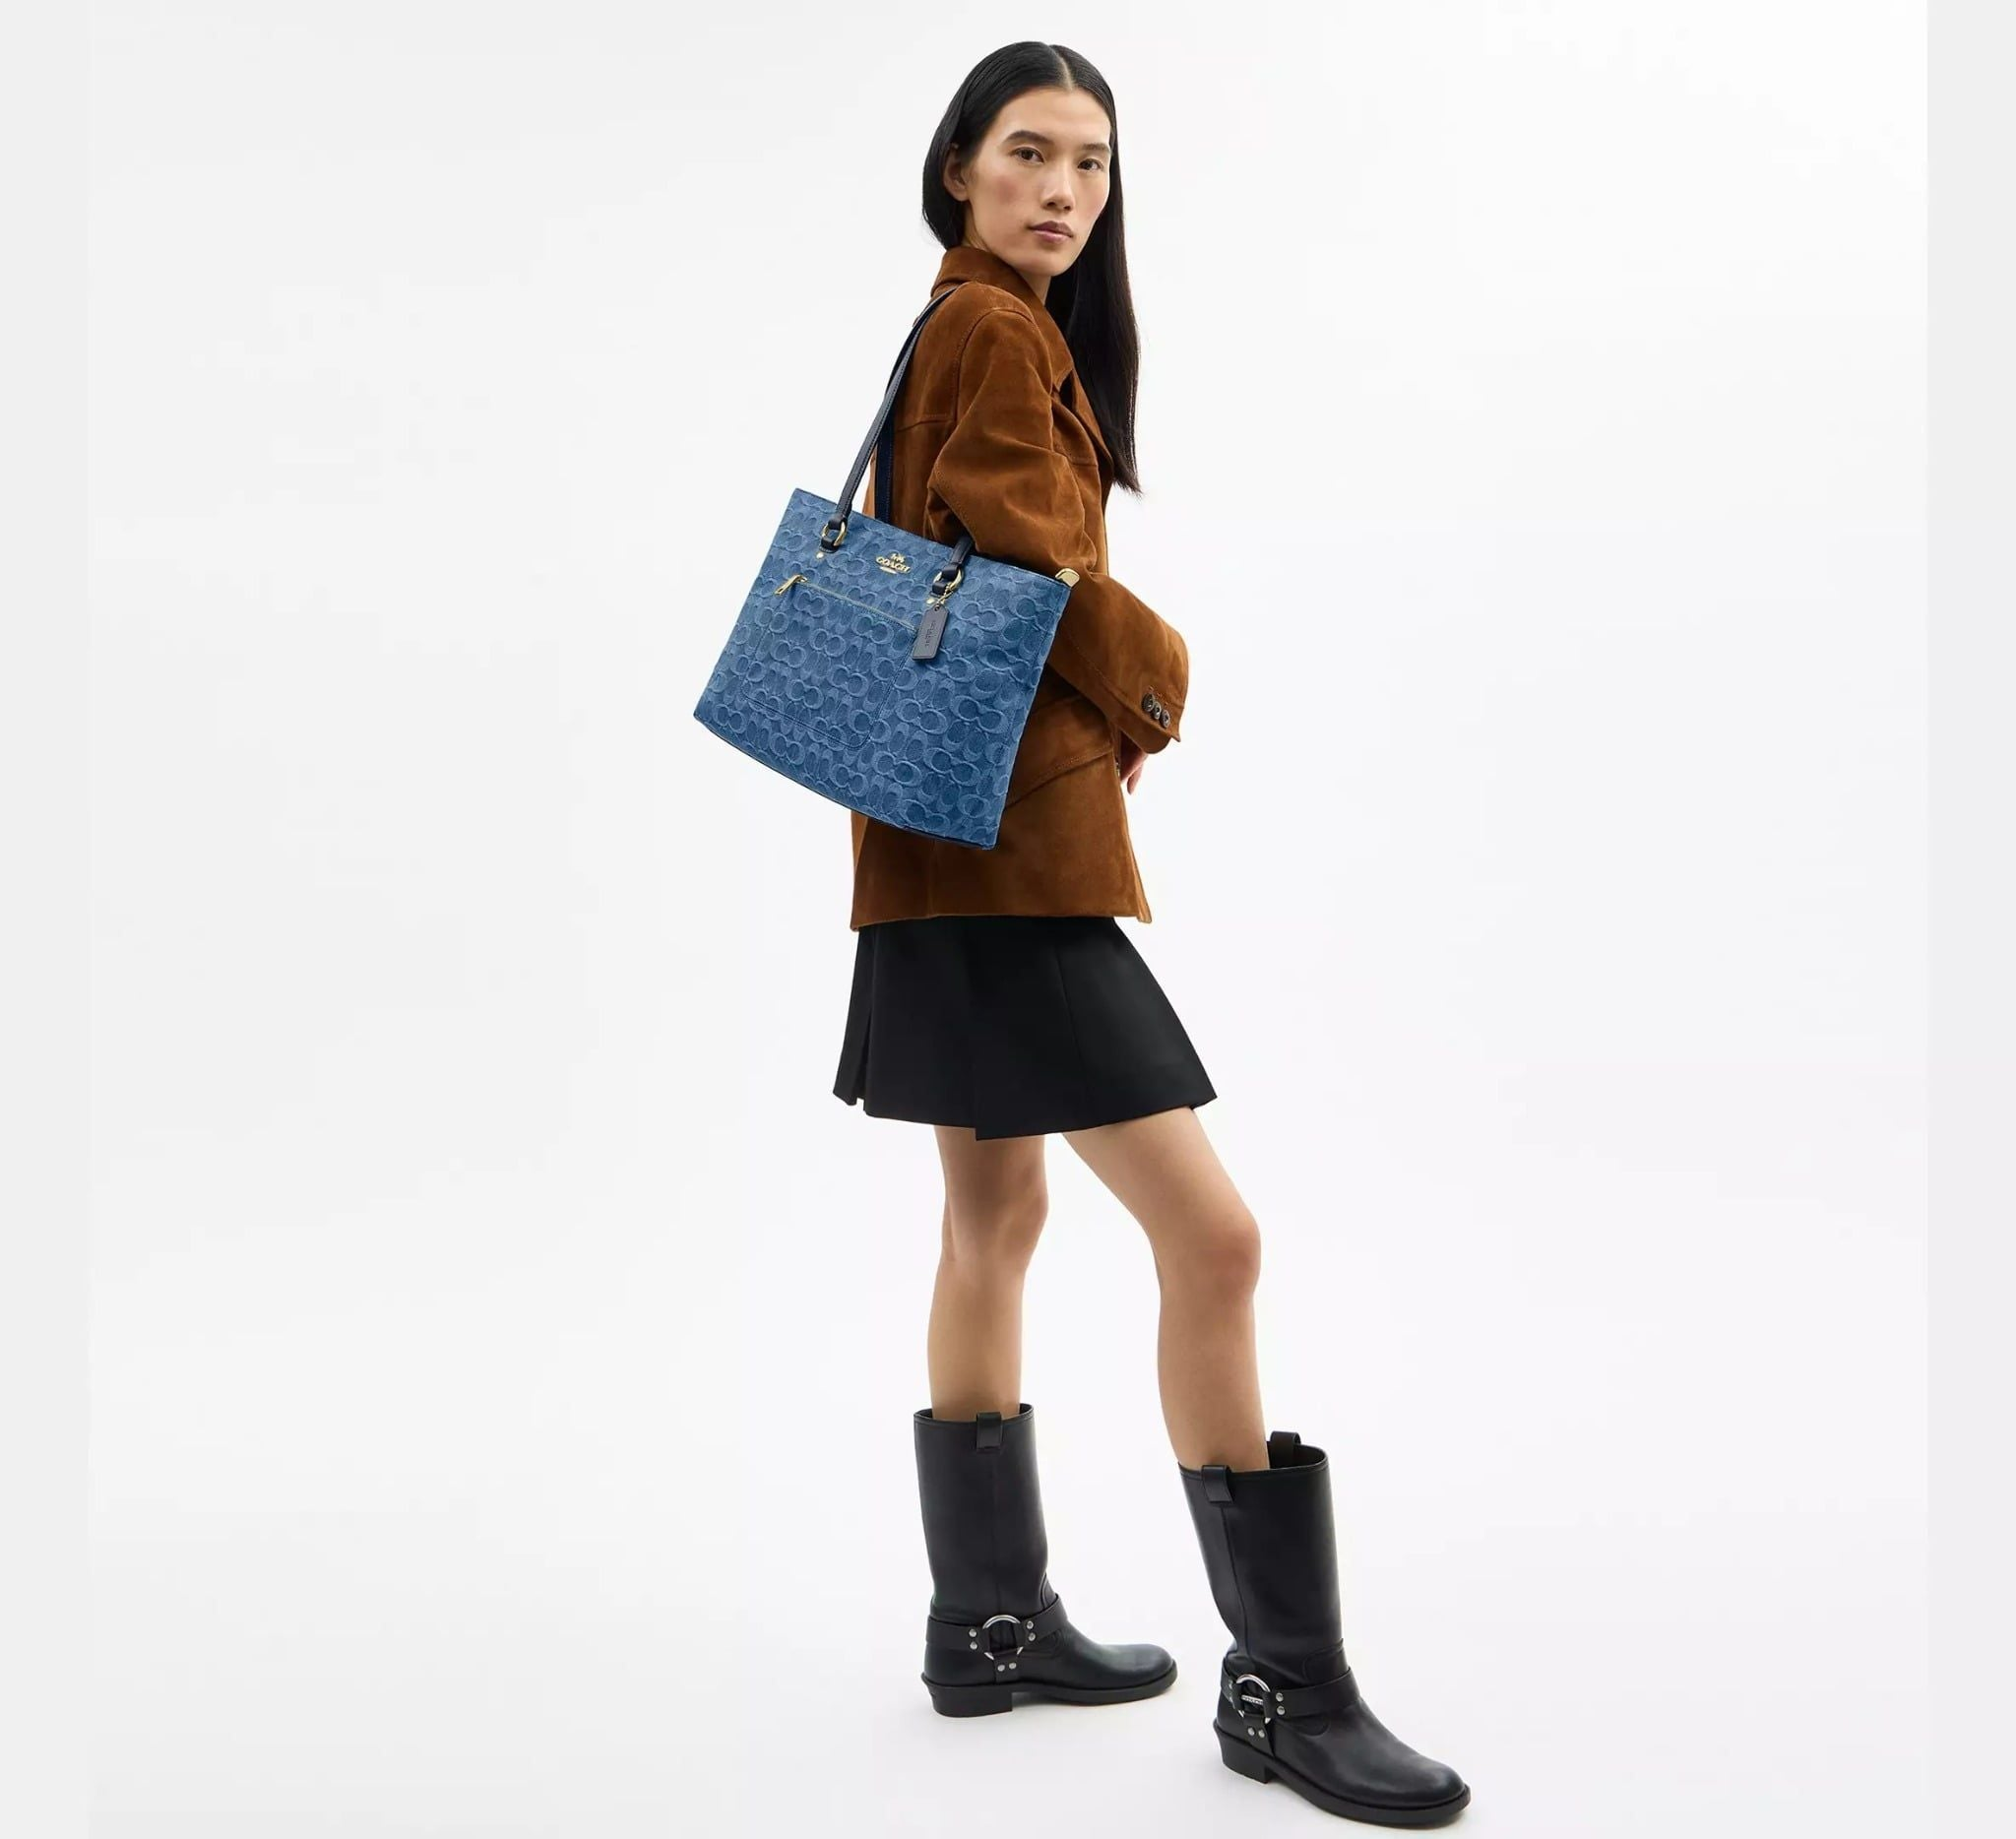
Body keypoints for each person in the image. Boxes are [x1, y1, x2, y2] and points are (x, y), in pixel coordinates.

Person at [831, 42, 1471, 1828]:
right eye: (1028, 154)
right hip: (1014, 875)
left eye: (1092, 164)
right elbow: (1040, 560)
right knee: (1218, 1239)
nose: (1062, 191)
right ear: (958, 168)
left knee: (997, 1217)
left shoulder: (957, 322)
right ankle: (1288, 1689)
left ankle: (988, 1625)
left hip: (930, 863)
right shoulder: (993, 331)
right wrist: (1158, 683)